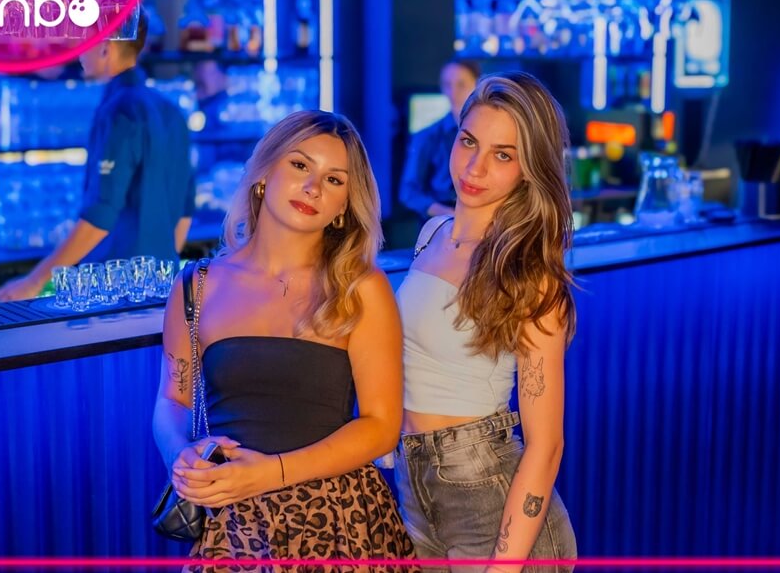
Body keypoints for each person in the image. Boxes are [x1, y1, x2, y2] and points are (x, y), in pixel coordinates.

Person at [153, 110, 419, 572]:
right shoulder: (196, 285)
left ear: (344, 205)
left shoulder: (360, 288)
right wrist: (181, 454)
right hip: (233, 519)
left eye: (333, 180)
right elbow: (172, 400)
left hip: (340, 518)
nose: (313, 188)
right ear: (263, 174)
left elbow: (381, 425)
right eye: (300, 165)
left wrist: (270, 474)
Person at [393, 72, 578, 573]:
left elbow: (547, 445)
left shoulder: (528, 273)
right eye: (469, 141)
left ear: (529, 168)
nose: (475, 167)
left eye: (503, 155)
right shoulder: (432, 233)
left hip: (488, 493)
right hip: (414, 486)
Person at [0, 12, 195, 302]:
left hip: (114, 292)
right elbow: (185, 212)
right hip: (164, 289)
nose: (77, 51)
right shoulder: (171, 110)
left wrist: (34, 282)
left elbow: (100, 215)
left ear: (105, 48)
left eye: (83, 41)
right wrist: (156, 271)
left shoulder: (118, 111)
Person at [399, 59, 480, 221]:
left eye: (461, 84)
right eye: (447, 85)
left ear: (477, 84)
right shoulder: (427, 136)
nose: (453, 92)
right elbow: (409, 191)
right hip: (443, 221)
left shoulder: (489, 133)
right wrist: (447, 214)